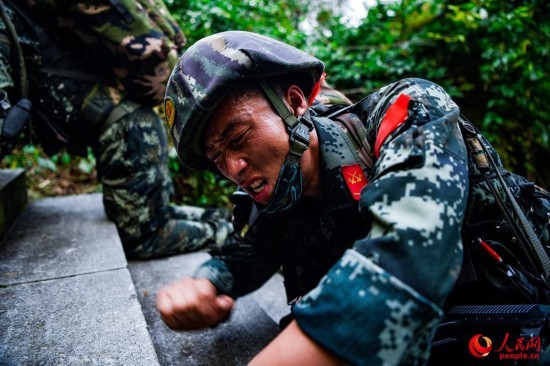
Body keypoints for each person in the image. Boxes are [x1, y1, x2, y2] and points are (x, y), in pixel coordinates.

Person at [155, 30, 474, 365]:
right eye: (217, 157)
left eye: (238, 137)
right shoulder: (277, 193)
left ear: (294, 103)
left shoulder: (405, 112)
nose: (233, 167)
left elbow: (411, 255)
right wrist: (205, 284)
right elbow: (246, 255)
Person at [0, 0, 231, 259]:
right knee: (157, 217)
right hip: (133, 123)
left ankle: (234, 233)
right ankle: (229, 222)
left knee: (146, 236)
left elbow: (145, 238)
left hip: (128, 129)